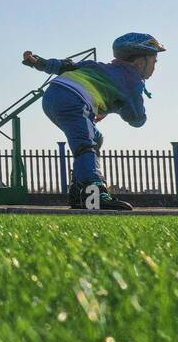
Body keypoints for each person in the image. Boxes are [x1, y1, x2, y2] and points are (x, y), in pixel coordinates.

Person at [22, 33, 165, 210]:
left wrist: (38, 62)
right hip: (74, 100)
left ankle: (78, 191)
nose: (154, 67)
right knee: (86, 144)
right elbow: (136, 118)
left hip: (52, 96)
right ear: (141, 62)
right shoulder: (133, 80)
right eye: (154, 62)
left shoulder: (96, 66)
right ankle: (95, 193)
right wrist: (121, 106)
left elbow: (65, 66)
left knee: (95, 138)